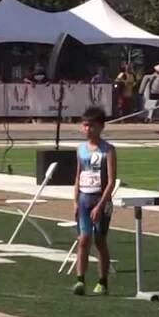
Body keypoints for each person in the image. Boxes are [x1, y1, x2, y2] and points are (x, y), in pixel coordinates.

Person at [71, 107, 116, 296]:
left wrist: (101, 204)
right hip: (83, 198)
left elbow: (112, 180)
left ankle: (102, 281)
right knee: (83, 239)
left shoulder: (108, 150)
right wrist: (75, 200)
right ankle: (80, 280)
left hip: (100, 199)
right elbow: (78, 175)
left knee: (100, 240)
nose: (88, 129)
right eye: (85, 125)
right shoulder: (81, 149)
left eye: (92, 126)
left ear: (101, 126)